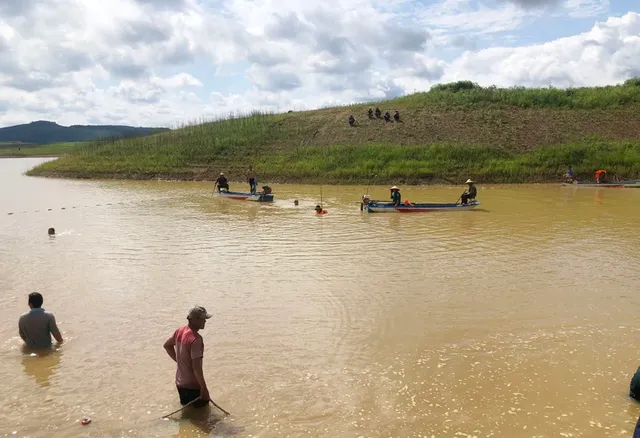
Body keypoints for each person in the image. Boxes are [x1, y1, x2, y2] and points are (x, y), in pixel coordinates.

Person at [163, 306, 213, 409]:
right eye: (203, 319)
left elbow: (167, 346)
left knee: (188, 415)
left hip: (180, 383)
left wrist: (180, 362)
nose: (205, 321)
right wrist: (203, 388)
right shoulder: (196, 339)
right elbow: (196, 368)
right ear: (196, 319)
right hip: (193, 386)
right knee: (202, 418)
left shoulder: (179, 331)